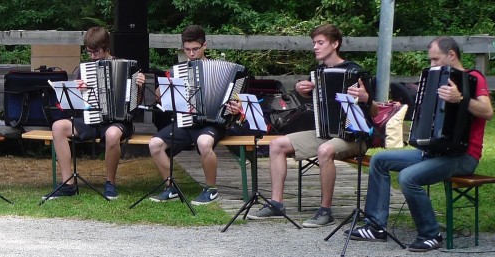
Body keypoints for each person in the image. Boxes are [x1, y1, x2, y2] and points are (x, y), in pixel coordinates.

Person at [348, 37, 491, 252]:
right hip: (435, 152)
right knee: (379, 160)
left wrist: (461, 98)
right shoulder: (438, 78)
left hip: (463, 156)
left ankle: (431, 234)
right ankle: (376, 226)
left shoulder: (474, 78)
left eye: (436, 60)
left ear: (451, 55)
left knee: (408, 177)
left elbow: (488, 112)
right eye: (431, 60)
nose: (432, 65)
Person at [249, 24, 375, 228]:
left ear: (335, 44)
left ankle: (325, 211)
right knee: (277, 145)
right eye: (314, 43)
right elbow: (309, 98)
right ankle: (276, 204)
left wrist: (367, 98)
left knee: (325, 150)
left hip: (354, 137)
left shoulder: (356, 72)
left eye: (320, 42)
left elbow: (376, 112)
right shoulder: (318, 72)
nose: (315, 47)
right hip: (325, 132)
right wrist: (301, 89)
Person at [43, 26, 145, 200]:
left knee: (113, 134)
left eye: (96, 52)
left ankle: (110, 183)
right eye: (89, 52)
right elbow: (71, 105)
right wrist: (78, 90)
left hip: (117, 121)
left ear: (106, 47)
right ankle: (68, 184)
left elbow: (137, 104)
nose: (92, 56)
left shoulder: (128, 67)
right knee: (58, 126)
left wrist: (139, 87)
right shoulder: (82, 70)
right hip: (90, 119)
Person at [148, 25, 241, 205]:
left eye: (195, 49)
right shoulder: (179, 70)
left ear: (204, 46)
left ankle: (211, 189)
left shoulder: (225, 69)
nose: (191, 54)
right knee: (155, 144)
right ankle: (170, 187)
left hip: (213, 123)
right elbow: (158, 96)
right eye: (187, 49)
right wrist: (168, 84)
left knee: (204, 143)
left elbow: (237, 101)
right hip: (186, 121)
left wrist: (235, 107)